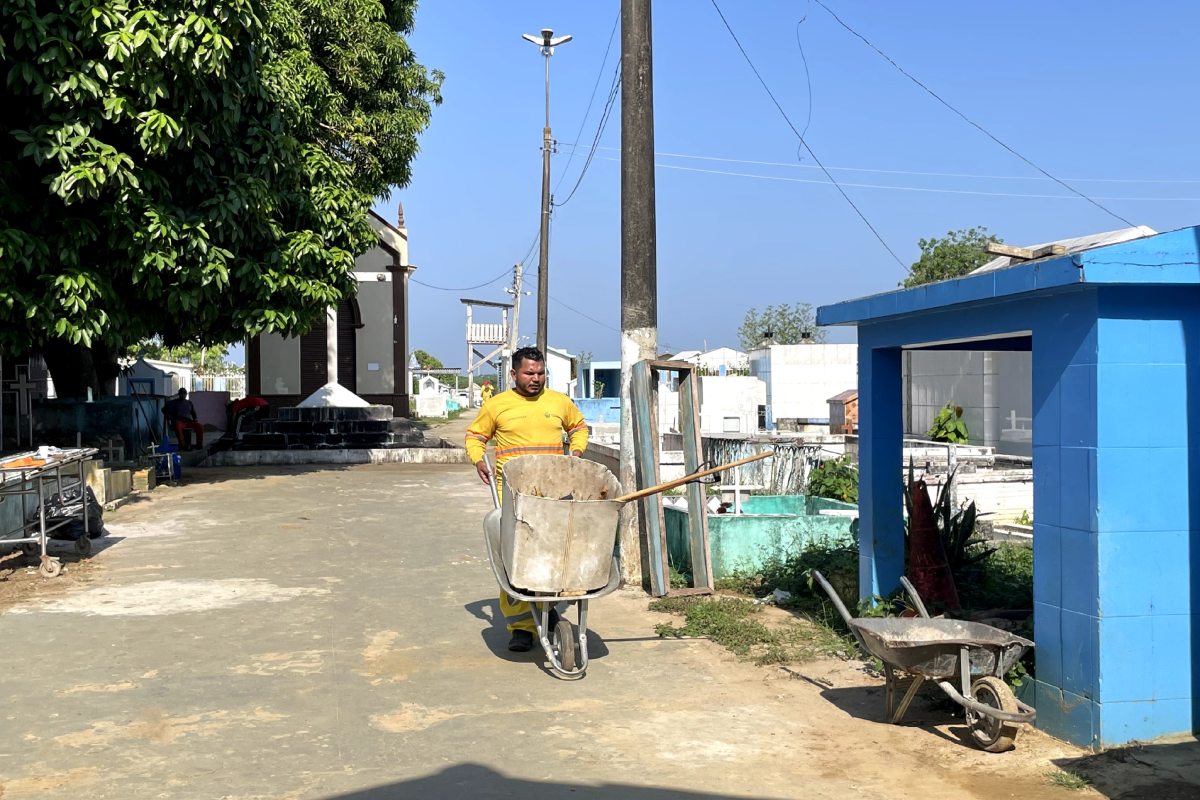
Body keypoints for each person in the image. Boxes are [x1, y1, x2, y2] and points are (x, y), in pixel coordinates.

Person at [464, 347, 589, 652]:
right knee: (514, 561)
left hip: (553, 494)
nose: (536, 379)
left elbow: (579, 428)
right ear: (514, 374)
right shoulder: (498, 405)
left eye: (540, 373)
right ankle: (521, 626)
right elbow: (475, 437)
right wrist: (478, 459)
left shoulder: (559, 402)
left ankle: (546, 609)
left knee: (552, 556)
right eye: (529, 373)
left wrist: (575, 454)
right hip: (514, 496)